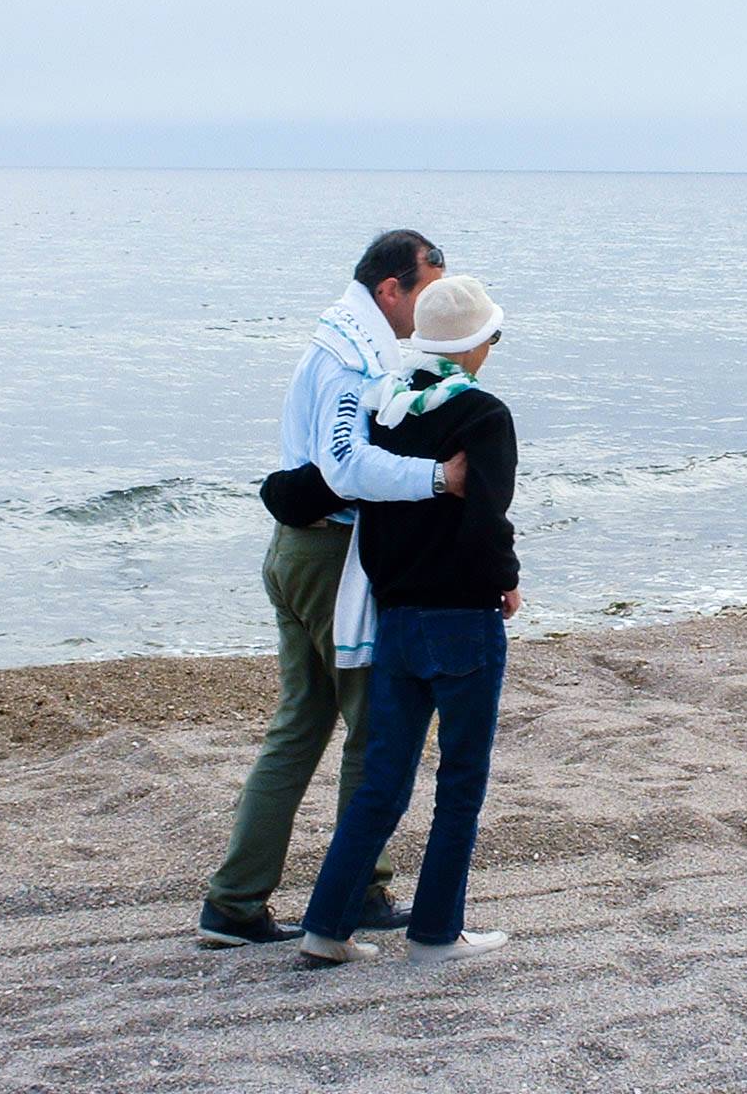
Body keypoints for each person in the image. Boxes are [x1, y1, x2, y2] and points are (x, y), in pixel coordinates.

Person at [197, 230, 467, 947]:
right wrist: (438, 479)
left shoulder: (334, 342)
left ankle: (234, 902)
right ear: (391, 290)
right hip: (330, 558)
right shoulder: (353, 361)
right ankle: (359, 890)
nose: (433, 306)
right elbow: (345, 467)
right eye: (428, 290)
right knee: (373, 725)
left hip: (296, 550)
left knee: (299, 727)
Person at [296, 275, 520, 965]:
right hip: (461, 617)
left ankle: (327, 926)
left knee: (382, 782)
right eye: (493, 336)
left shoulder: (381, 406)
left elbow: (355, 487)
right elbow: (486, 517)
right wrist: (507, 582)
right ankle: (434, 935)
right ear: (477, 344)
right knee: (460, 781)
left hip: (394, 615)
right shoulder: (483, 416)